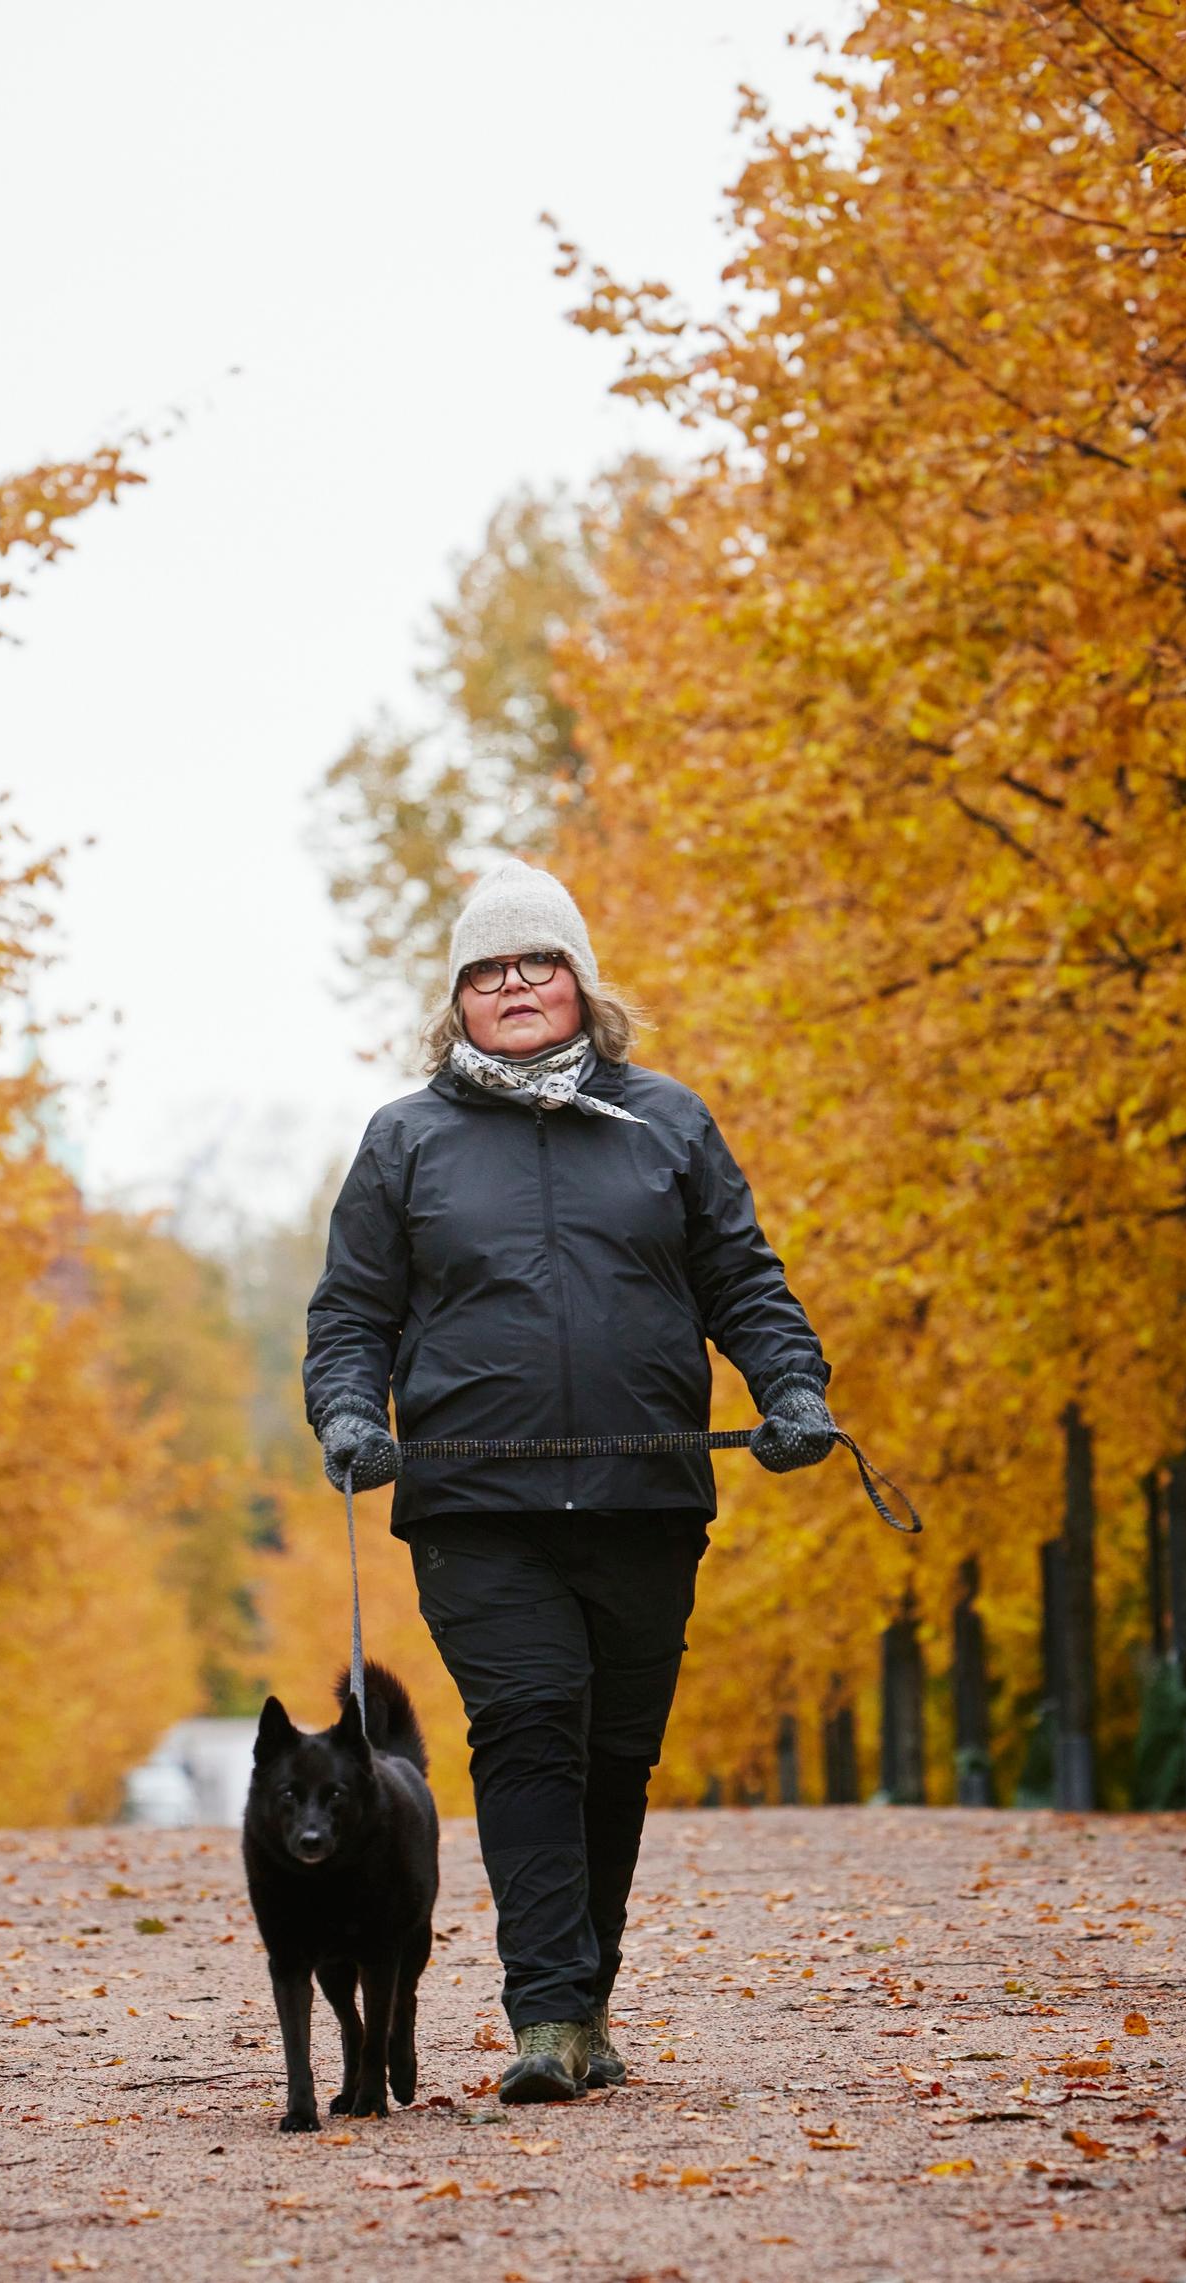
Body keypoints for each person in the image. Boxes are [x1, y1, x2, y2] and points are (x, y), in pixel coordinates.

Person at [302, 859, 836, 2105]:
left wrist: (792, 1389)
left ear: (581, 981)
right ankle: (542, 2013)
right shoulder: (405, 1140)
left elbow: (742, 1281)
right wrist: (347, 1414)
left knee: (611, 1756)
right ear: (456, 1001)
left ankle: (586, 2006)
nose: (514, 985)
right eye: (485, 970)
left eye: (536, 961)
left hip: (646, 1497)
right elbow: (351, 1314)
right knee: (529, 1728)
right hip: (475, 1510)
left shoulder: (668, 1124)